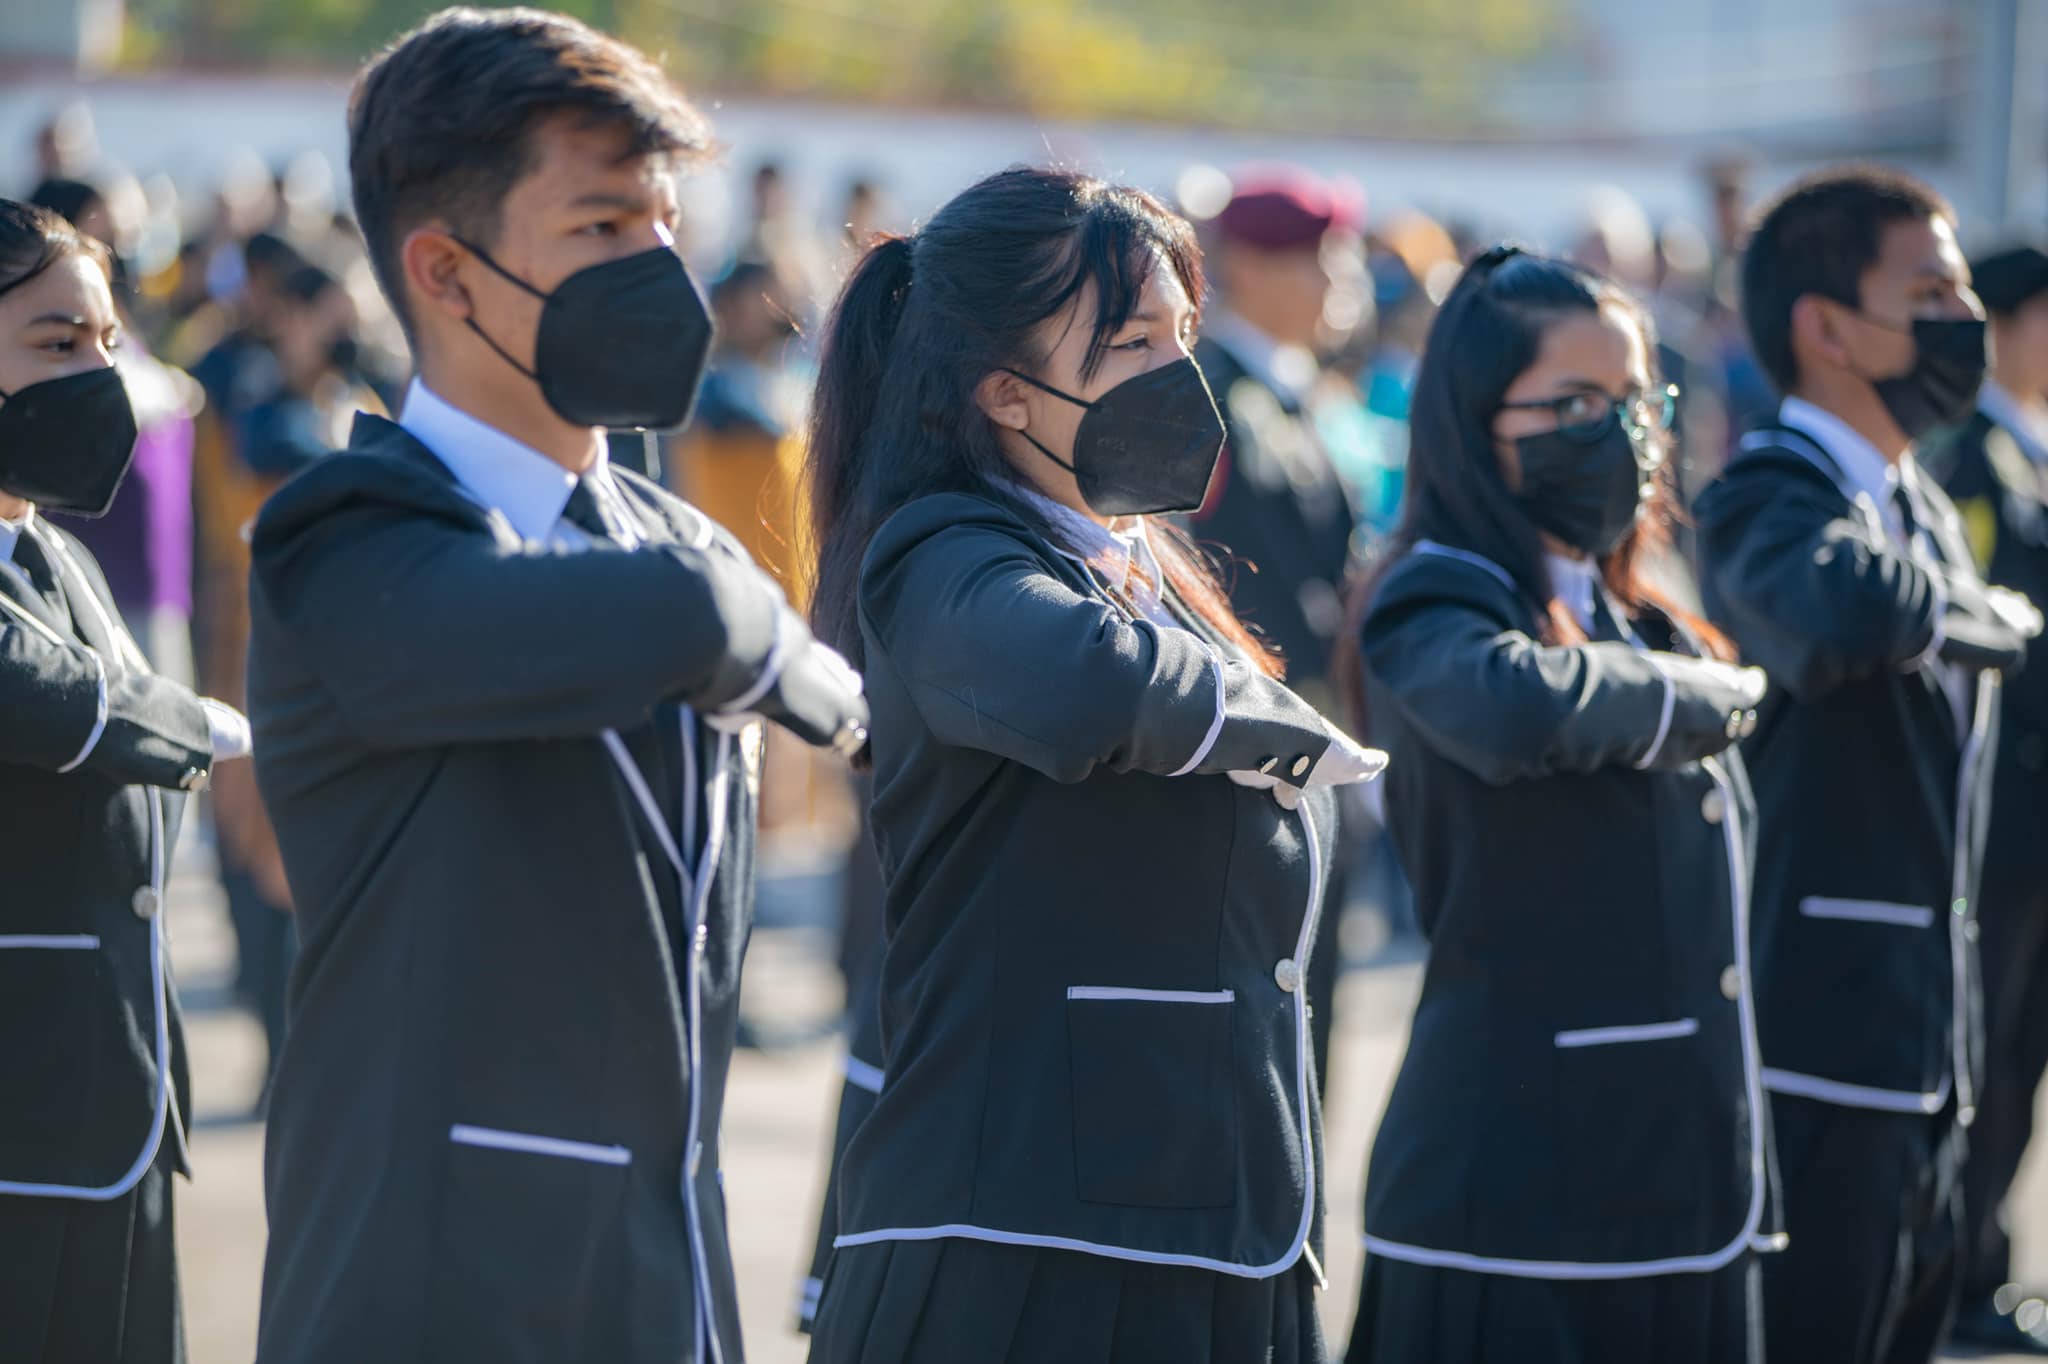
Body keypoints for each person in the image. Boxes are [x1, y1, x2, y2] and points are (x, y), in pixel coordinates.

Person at [244, 11, 866, 1362]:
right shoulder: (348, 540)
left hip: (670, 1291)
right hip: (432, 1299)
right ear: (445, 274)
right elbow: (674, 621)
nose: (659, 268)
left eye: (664, 223)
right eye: (600, 228)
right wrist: (765, 640)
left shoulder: (674, 540)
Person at [801, 165, 1383, 1363]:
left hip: (1206, 1217)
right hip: (1027, 1243)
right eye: (1128, 344)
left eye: (1181, 334)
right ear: (1005, 394)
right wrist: (1266, 718)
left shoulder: (1149, 561)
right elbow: (1081, 680)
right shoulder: (945, 551)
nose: (1177, 375)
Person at [1336, 246, 1774, 1364]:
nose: (1617, 432)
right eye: (1573, 402)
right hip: (1517, 1196)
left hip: (1680, 1191)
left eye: (1633, 401)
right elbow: (1511, 704)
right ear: (1474, 420)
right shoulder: (1436, 590)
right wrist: (1692, 693)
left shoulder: (1639, 614)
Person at [1695, 166, 2034, 1364]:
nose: (1961, 314)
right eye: (1927, 287)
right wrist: (1968, 608)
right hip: (1815, 1035)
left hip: (1927, 1041)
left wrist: (1957, 598)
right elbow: (1831, 609)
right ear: (1823, 324)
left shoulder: (1919, 504)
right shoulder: (1766, 488)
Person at [0, 196, 252, 1364]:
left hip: (119, 1106)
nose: (96, 374)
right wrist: (208, 721)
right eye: (57, 344)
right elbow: (57, 699)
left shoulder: (50, 546)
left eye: (106, 342)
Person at [1927, 243, 2048, 1353]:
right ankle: (1957, 1272)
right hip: (1995, 816)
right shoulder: (1966, 465)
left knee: (2024, 1045)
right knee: (1987, 1047)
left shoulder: (2030, 457)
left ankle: (1983, 1263)